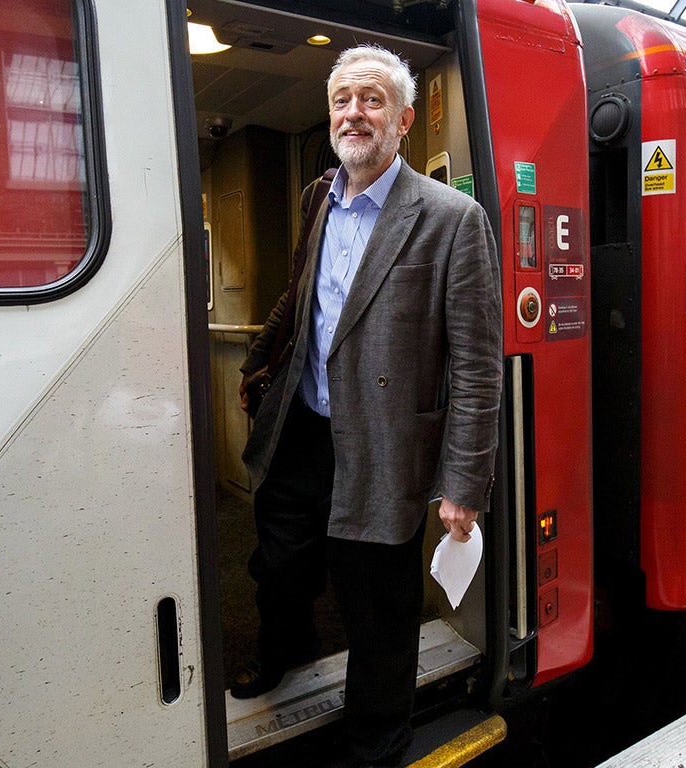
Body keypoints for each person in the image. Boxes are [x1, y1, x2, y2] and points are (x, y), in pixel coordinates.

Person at [235, 44, 503, 767]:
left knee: (378, 608)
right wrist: (259, 361)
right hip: (302, 426)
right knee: (278, 564)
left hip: (385, 445)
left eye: (373, 100)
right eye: (342, 101)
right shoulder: (318, 196)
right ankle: (285, 651)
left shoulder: (453, 219)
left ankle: (376, 744)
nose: (355, 113)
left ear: (405, 119)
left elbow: (478, 366)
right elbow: (301, 297)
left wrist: (464, 485)